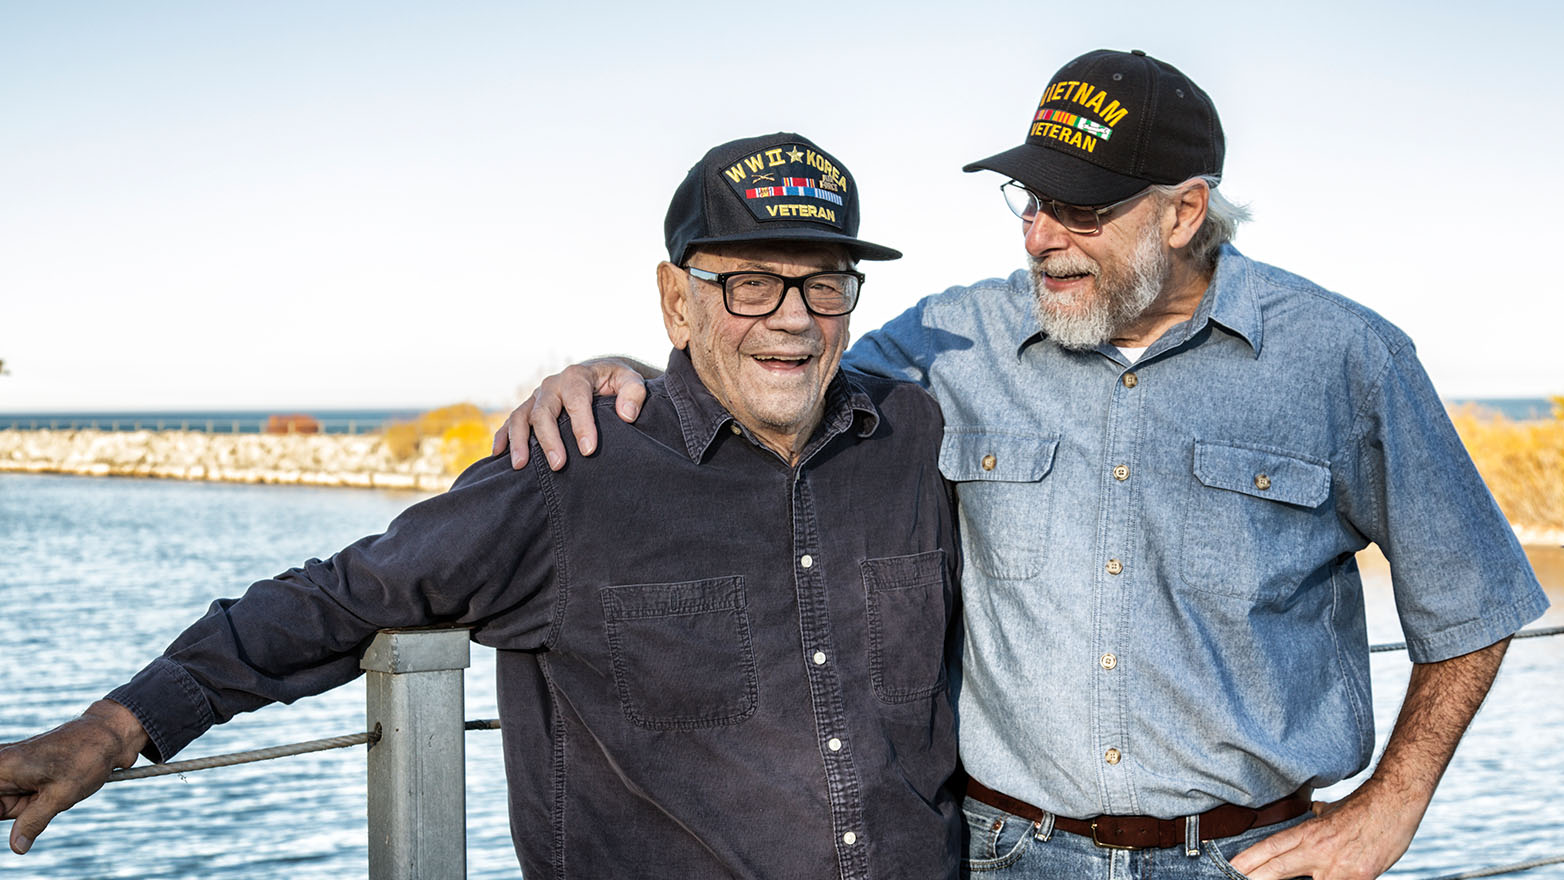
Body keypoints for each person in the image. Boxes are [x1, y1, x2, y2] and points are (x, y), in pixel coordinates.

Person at [493, 50, 1549, 880]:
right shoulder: (951, 341)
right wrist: (619, 369)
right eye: (1028, 198)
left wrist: (1389, 809)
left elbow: (1476, 598)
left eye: (1081, 208)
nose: (1040, 235)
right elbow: (768, 367)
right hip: (1004, 859)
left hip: (1250, 860)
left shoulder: (1346, 360)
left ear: (1184, 212)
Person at [0, 132, 964, 880]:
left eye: (824, 283)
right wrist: (121, 725)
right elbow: (340, 600)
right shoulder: (573, 468)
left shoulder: (916, 439)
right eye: (751, 282)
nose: (793, 316)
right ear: (677, 303)